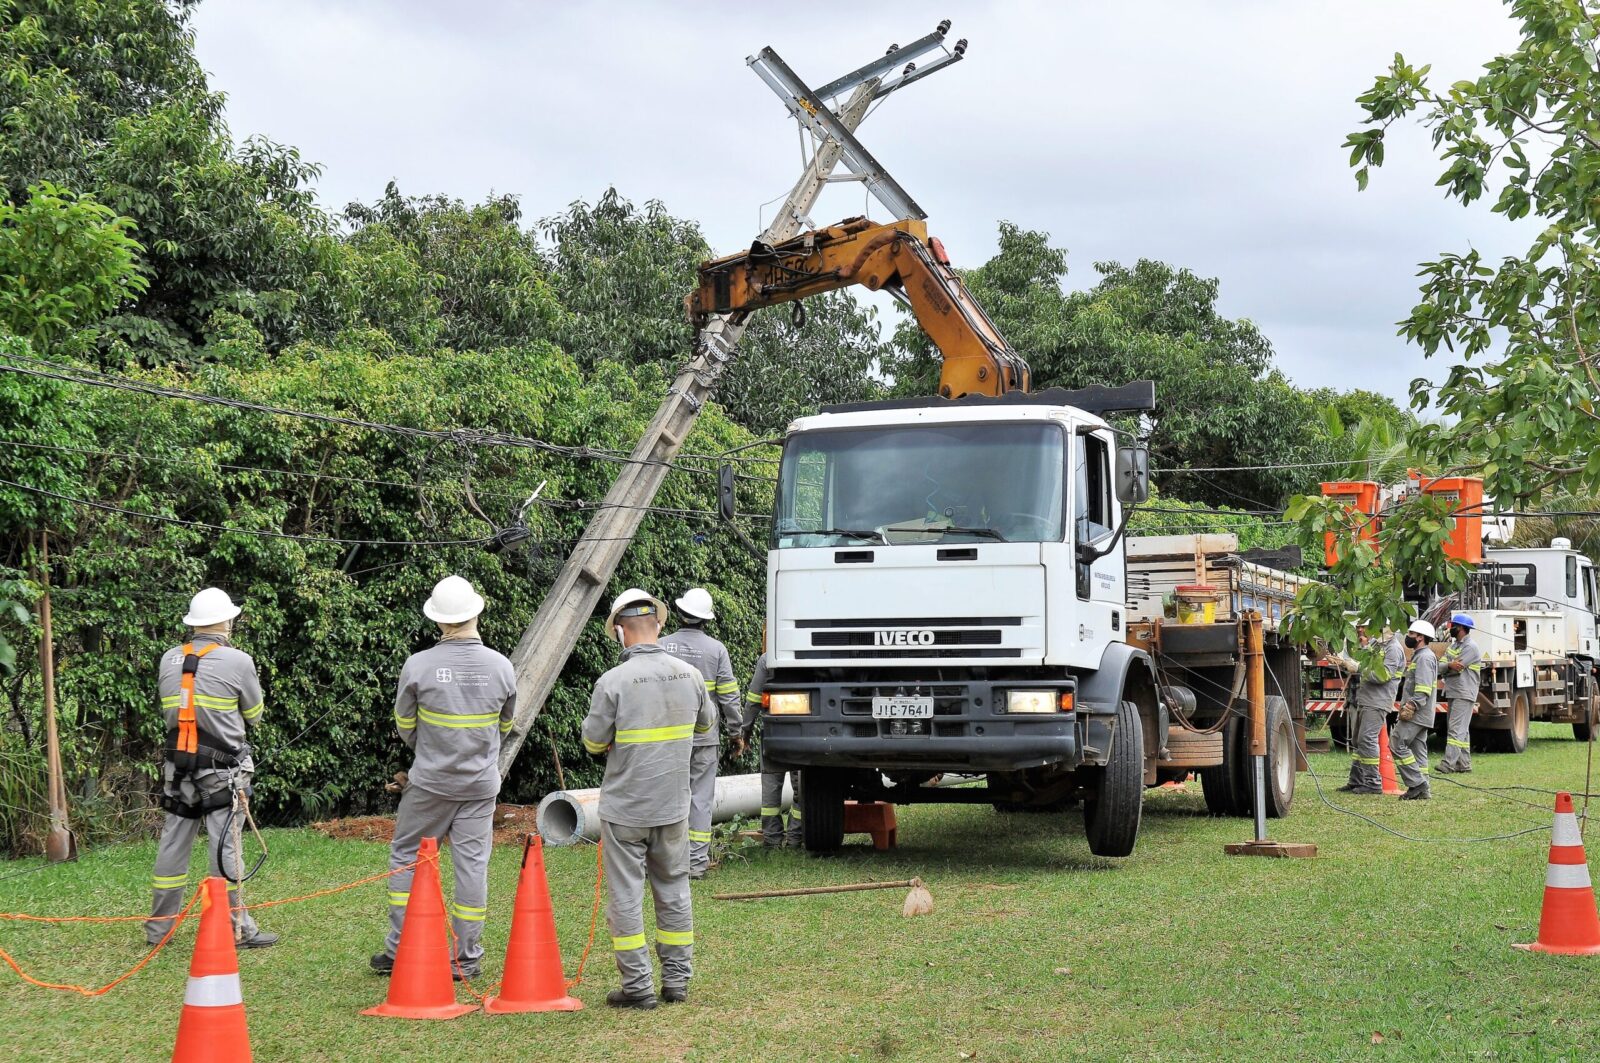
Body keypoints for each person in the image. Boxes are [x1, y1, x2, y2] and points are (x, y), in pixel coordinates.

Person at [371, 575, 515, 980]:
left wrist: (431, 751)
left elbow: (405, 724)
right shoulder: (502, 667)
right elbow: (504, 727)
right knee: (472, 867)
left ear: (439, 621)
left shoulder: (418, 665)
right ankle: (465, 960)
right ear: (475, 613)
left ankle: (399, 950)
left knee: (406, 856)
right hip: (480, 785)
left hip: (430, 782)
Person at [583, 588, 715, 1009]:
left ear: (621, 633)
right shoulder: (689, 675)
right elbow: (705, 724)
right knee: (674, 889)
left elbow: (592, 742)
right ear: (658, 626)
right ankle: (676, 982)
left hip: (626, 810)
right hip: (673, 807)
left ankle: (637, 987)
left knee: (626, 893)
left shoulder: (612, 681)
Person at [146, 588, 277, 948]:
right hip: (223, 771)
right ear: (226, 622)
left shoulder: (169, 658)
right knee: (225, 847)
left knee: (173, 842)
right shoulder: (238, 661)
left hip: (178, 766)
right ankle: (237, 929)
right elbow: (254, 715)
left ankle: (159, 929)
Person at [660, 588, 746, 879]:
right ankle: (696, 864)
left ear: (680, 613)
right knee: (700, 799)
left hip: (667, 739)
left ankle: (664, 862)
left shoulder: (660, 646)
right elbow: (729, 697)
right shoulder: (716, 650)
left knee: (667, 798)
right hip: (705, 738)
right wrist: (737, 733)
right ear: (706, 620)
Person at [1337, 623, 1404, 795]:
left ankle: (1373, 783)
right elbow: (1363, 662)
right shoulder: (1377, 645)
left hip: (1378, 701)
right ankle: (1356, 780)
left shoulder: (1393, 649)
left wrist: (1358, 668)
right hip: (1366, 698)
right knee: (1358, 740)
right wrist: (1346, 662)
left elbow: (1383, 676)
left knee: (1367, 739)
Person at [744, 653, 802, 847]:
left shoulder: (767, 659)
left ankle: (772, 841)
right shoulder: (811, 655)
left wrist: (745, 732)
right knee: (802, 789)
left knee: (771, 791)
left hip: (773, 734)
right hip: (804, 735)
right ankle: (795, 839)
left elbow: (753, 700)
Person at [1392, 619, 1439, 801]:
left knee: (1396, 744)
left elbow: (1423, 689)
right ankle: (1424, 790)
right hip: (1422, 714)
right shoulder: (1421, 656)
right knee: (1418, 750)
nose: (1408, 637)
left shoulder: (1425, 657)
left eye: (1411, 634)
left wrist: (1411, 706)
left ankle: (1417, 784)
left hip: (1417, 713)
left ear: (1421, 637)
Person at [1437, 613, 1483, 774]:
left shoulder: (1471, 647)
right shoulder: (1454, 646)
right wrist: (1449, 665)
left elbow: (1458, 669)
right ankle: (1464, 764)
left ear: (1462, 628)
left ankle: (1448, 763)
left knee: (1455, 729)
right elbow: (1441, 665)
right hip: (1453, 691)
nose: (1450, 628)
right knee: (1461, 729)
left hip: (1464, 691)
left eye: (1453, 626)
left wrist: (1447, 667)